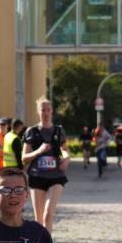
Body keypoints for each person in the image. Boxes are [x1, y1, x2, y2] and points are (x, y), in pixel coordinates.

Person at [22, 97, 69, 233]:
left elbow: (65, 149)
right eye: (43, 110)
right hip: (37, 176)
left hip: (56, 177)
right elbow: (24, 158)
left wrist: (66, 158)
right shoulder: (31, 131)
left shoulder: (59, 131)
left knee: (48, 214)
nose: (46, 113)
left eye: (48, 110)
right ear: (38, 112)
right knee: (39, 220)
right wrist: (39, 151)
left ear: (52, 111)